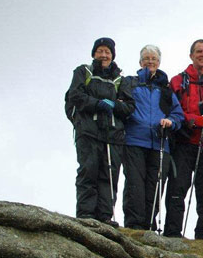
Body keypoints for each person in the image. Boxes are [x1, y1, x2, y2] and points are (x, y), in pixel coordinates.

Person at [66, 37, 135, 227]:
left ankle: (105, 216)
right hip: (88, 131)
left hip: (113, 135)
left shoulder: (121, 80)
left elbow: (129, 107)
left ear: (113, 56)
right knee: (88, 171)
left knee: (109, 174)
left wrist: (113, 106)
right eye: (100, 51)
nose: (104, 55)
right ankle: (86, 214)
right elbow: (75, 96)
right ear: (94, 53)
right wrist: (97, 104)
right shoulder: (83, 72)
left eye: (107, 52)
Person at [164, 39, 203, 240]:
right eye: (199, 51)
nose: (202, 55)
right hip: (183, 142)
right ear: (191, 55)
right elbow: (170, 108)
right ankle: (172, 233)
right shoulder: (178, 81)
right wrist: (192, 120)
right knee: (177, 188)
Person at [123, 45, 184, 230]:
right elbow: (123, 106)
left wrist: (170, 122)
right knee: (135, 185)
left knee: (154, 186)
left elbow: (178, 114)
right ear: (140, 62)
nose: (150, 61)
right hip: (134, 141)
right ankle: (134, 226)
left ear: (159, 63)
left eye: (154, 59)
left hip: (160, 144)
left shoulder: (165, 90)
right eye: (146, 58)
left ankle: (149, 225)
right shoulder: (130, 83)